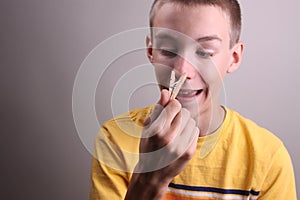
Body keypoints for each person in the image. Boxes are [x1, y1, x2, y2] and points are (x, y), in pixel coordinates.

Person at [89, 0, 297, 199]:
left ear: (234, 58)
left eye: (204, 53)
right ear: (151, 51)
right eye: (169, 50)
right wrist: (149, 178)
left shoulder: (268, 157)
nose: (182, 71)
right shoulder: (114, 139)